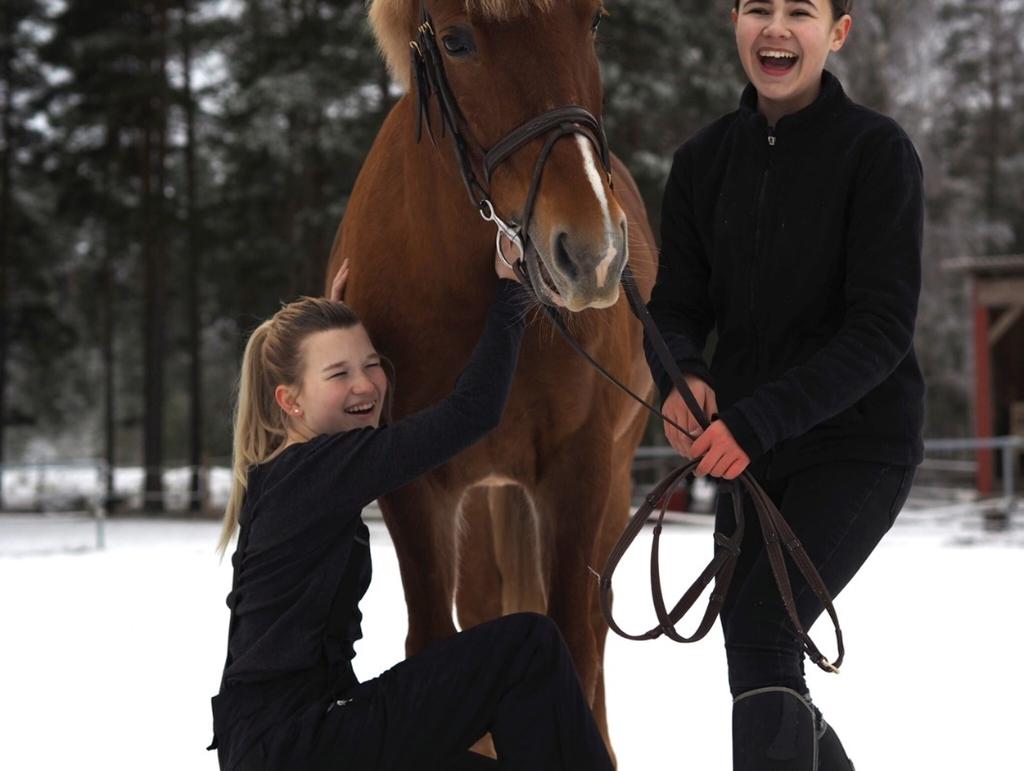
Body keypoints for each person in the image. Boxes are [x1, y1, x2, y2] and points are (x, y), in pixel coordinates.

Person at [645, 1, 924, 768]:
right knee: (759, 653)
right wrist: (683, 377)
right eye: (756, 7)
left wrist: (755, 421)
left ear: (837, 31)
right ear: (733, 22)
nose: (775, 27)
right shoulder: (702, 162)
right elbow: (674, 307)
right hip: (748, 452)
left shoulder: (877, 153)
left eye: (799, 10)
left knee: (764, 628)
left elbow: (880, 330)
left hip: (858, 441)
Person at [208, 248, 614, 771]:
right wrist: (511, 289)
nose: (364, 384)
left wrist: (330, 341)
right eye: (339, 374)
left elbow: (327, 385)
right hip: (301, 741)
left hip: (291, 739)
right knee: (527, 646)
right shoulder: (319, 470)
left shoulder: (285, 472)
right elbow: (473, 413)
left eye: (372, 365)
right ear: (291, 402)